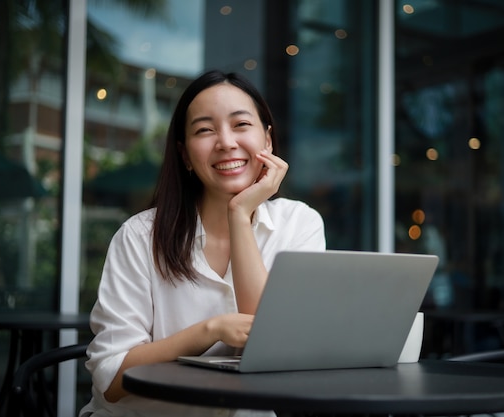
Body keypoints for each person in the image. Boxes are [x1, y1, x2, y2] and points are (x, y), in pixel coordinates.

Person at [79, 70, 326, 417]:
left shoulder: (299, 223)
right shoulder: (139, 236)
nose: (225, 142)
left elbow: (274, 349)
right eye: (205, 130)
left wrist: (239, 214)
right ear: (184, 154)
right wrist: (209, 330)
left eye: (241, 125)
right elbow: (112, 380)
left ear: (267, 141)